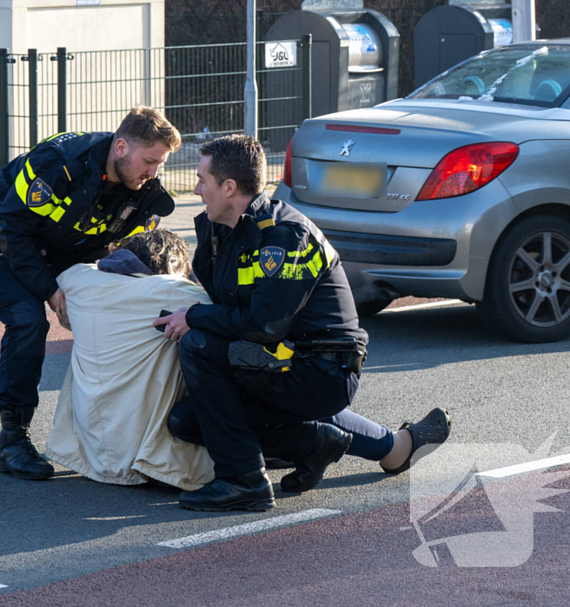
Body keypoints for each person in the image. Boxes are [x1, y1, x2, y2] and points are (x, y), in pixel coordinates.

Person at [156, 135, 450, 512]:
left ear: (229, 188)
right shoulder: (223, 231)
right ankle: (358, 445)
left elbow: (265, 324)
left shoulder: (283, 236)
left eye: (202, 180)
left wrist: (193, 317)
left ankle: (244, 481)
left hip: (322, 369)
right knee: (187, 421)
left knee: (197, 345)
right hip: (278, 361)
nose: (196, 190)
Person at [0, 107, 181, 481]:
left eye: (160, 164)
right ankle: (13, 440)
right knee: (27, 320)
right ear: (122, 147)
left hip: (66, 249)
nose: (153, 174)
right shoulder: (59, 163)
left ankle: (118, 435)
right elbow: (11, 227)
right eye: (149, 162)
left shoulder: (144, 189)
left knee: (118, 317)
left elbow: (131, 254)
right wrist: (51, 291)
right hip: (1, 236)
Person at [45, 229, 215, 490]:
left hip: (91, 453)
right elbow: (219, 313)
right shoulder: (173, 291)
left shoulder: (75, 280)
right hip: (147, 455)